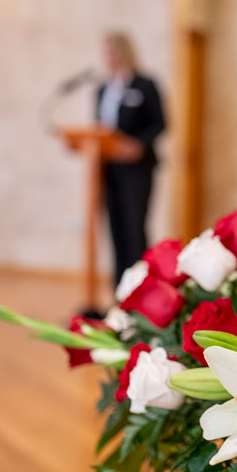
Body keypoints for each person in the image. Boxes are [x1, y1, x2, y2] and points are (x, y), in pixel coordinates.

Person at [97, 32, 166, 288]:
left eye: (112, 51)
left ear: (125, 51)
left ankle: (141, 287)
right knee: (115, 229)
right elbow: (99, 128)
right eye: (105, 52)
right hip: (109, 169)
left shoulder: (144, 85)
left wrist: (137, 144)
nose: (109, 57)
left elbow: (160, 123)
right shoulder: (104, 88)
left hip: (137, 169)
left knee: (134, 226)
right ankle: (119, 288)